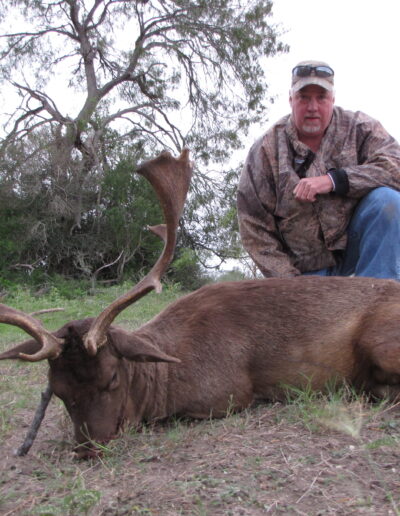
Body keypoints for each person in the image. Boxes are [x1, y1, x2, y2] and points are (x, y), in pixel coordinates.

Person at [237, 60, 400, 279]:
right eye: (303, 97)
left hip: (357, 250)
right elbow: (253, 227)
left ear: (332, 99)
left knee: (386, 201)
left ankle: (380, 304)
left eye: (321, 97)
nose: (312, 107)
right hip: (306, 272)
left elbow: (395, 167)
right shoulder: (266, 150)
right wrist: (289, 284)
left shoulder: (360, 128)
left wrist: (336, 181)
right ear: (290, 100)